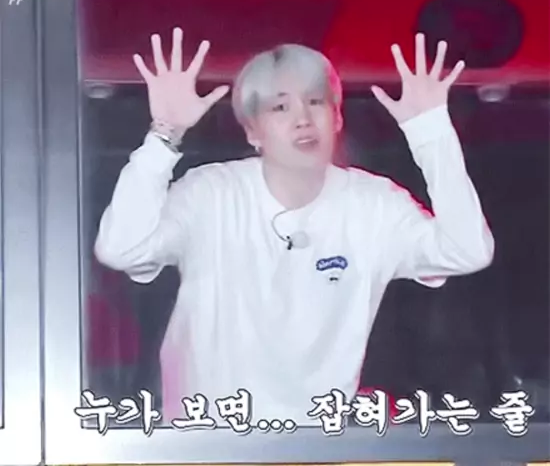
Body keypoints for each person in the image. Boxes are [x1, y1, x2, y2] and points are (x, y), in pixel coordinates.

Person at [94, 27, 495, 427]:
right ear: (252, 131)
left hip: (316, 444)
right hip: (208, 441)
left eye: (316, 102)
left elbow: (466, 250)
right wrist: (164, 135)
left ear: (337, 117)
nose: (303, 119)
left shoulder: (375, 204)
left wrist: (431, 133)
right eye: (281, 107)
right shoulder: (210, 193)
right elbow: (122, 248)